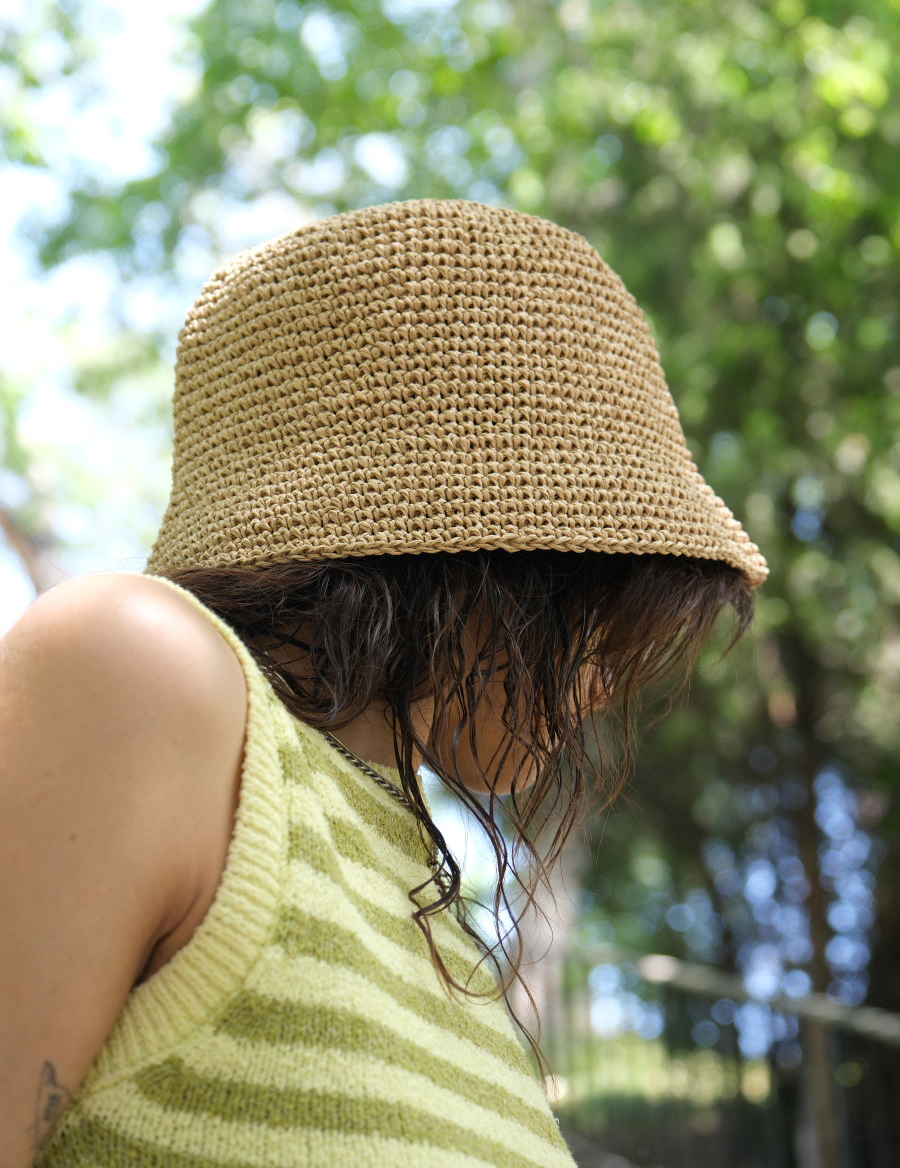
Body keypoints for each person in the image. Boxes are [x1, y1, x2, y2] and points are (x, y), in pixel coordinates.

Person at [0, 199, 766, 1168]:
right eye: (599, 614)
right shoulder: (138, 668)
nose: (606, 685)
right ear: (480, 557)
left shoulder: (439, 940)